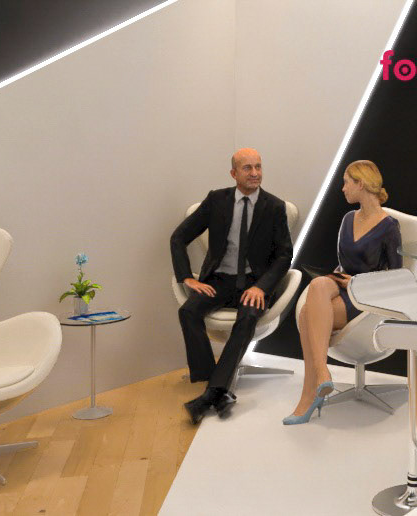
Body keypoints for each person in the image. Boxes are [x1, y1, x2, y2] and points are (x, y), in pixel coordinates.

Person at [171, 148, 293, 425]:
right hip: (219, 280)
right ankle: (213, 382)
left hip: (254, 283)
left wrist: (262, 287)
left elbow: (285, 255)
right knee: (188, 312)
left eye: (258, 167)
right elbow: (178, 237)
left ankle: (212, 393)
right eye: (248, 168)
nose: (255, 173)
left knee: (247, 318)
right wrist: (186, 277)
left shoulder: (274, 207)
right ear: (233, 173)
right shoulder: (216, 200)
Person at [284, 159, 402, 425]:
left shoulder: (389, 226)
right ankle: (322, 374)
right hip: (340, 284)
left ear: (360, 184)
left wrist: (357, 284)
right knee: (318, 284)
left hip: (365, 298)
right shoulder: (348, 218)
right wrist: (340, 279)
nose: (343, 188)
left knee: (306, 316)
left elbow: (397, 278)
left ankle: (310, 395)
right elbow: (343, 264)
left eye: (346, 182)